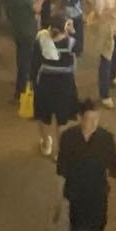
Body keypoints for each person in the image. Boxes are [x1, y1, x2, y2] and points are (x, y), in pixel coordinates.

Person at [57, 99, 116, 231]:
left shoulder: (70, 137)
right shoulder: (104, 139)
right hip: (83, 193)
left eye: (96, 119)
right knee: (84, 226)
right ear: (80, 118)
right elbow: (114, 170)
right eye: (90, 119)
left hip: (91, 194)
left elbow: (62, 168)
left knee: (90, 226)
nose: (94, 123)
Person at [35, 8, 80, 157]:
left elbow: (34, 61)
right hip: (65, 85)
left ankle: (46, 143)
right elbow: (77, 54)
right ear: (64, 28)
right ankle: (59, 151)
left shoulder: (41, 39)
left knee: (43, 116)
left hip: (44, 84)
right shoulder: (71, 42)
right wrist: (72, 31)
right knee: (61, 121)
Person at [1, 0, 43, 102]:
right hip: (28, 29)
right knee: (27, 61)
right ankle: (21, 93)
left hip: (16, 27)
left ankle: (21, 83)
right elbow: (36, 9)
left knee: (21, 57)